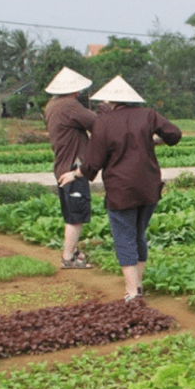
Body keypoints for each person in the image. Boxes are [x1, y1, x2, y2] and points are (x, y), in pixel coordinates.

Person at [59, 76, 181, 301]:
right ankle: (139, 286)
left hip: (121, 189)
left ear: (110, 101)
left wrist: (74, 174)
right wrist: (150, 141)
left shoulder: (104, 122)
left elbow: (93, 162)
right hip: (149, 187)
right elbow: (174, 134)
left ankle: (132, 292)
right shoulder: (148, 115)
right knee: (138, 235)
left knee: (124, 237)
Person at [44, 67, 97, 269]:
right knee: (76, 216)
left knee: (70, 213)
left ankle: (74, 252)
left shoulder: (52, 105)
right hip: (73, 168)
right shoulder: (69, 105)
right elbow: (96, 122)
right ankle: (68, 258)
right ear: (74, 90)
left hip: (61, 166)